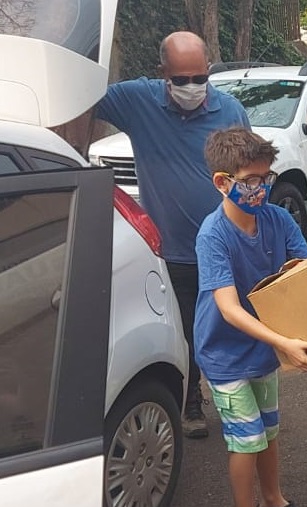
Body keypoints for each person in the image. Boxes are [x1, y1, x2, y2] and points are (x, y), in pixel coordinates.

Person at [95, 31, 251, 439]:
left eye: (199, 77)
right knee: (183, 334)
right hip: (172, 252)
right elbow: (83, 94)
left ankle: (239, 399)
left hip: (224, 249)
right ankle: (190, 401)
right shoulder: (138, 101)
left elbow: (250, 175)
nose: (191, 88)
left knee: (229, 328)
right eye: (180, 80)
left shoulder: (230, 109)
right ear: (162, 73)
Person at [195, 126, 307, 507]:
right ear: (222, 182)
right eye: (250, 181)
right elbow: (229, 309)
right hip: (225, 354)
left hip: (264, 348)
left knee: (268, 431)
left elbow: (305, 271)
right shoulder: (213, 235)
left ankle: (273, 501)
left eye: (266, 178)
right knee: (245, 437)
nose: (260, 188)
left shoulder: (278, 218)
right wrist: (285, 341)